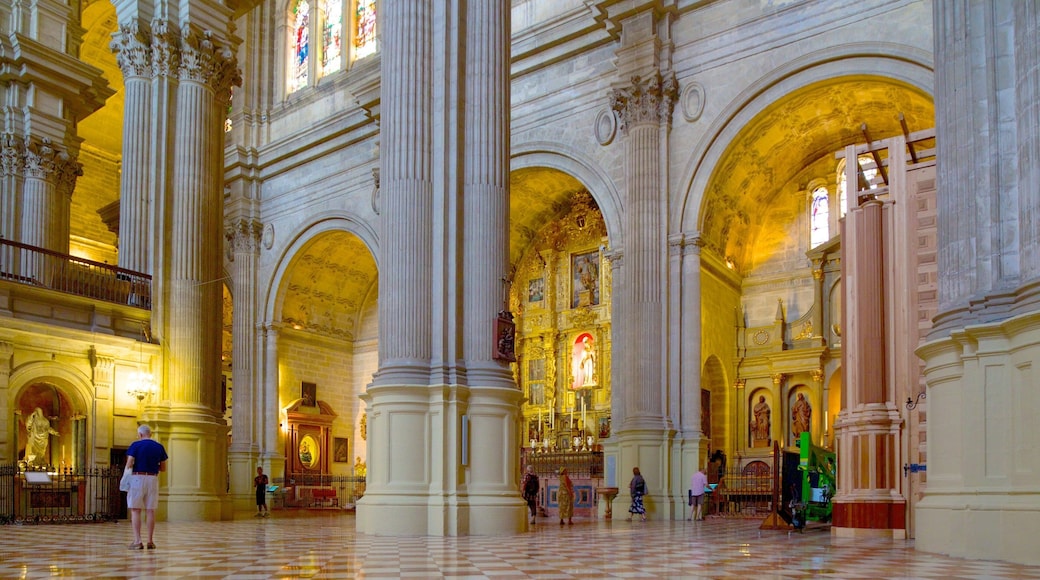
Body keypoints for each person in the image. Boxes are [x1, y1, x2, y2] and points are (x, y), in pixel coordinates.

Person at [126, 424, 168, 550]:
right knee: (150, 510)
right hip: (152, 478)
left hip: (137, 478)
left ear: (140, 434)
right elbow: (163, 468)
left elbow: (129, 463)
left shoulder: (135, 445)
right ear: (150, 434)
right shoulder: (159, 446)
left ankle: (138, 541)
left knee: (136, 510)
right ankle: (150, 541)